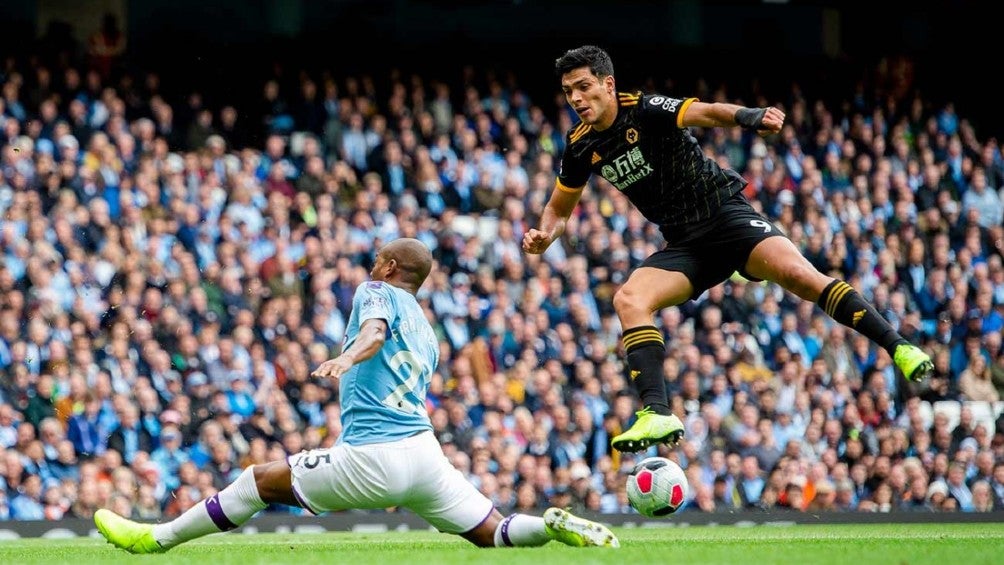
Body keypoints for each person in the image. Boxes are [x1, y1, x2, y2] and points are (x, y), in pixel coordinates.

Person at [522, 45, 933, 452]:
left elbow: (707, 111)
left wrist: (752, 117)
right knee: (629, 298)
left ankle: (899, 346)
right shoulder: (579, 145)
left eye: (583, 87)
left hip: (724, 216)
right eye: (567, 91)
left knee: (800, 276)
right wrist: (545, 234)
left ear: (608, 85)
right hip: (686, 245)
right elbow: (559, 209)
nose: (575, 98)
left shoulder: (644, 109)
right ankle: (657, 413)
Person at [94, 238, 618, 552]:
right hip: (425, 456)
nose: (371, 266)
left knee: (256, 482)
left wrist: (347, 356)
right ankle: (549, 526)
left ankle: (154, 540)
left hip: (374, 454)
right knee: (492, 530)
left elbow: (373, 333)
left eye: (377, 260)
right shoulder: (431, 335)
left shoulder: (376, 293)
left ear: (391, 269)